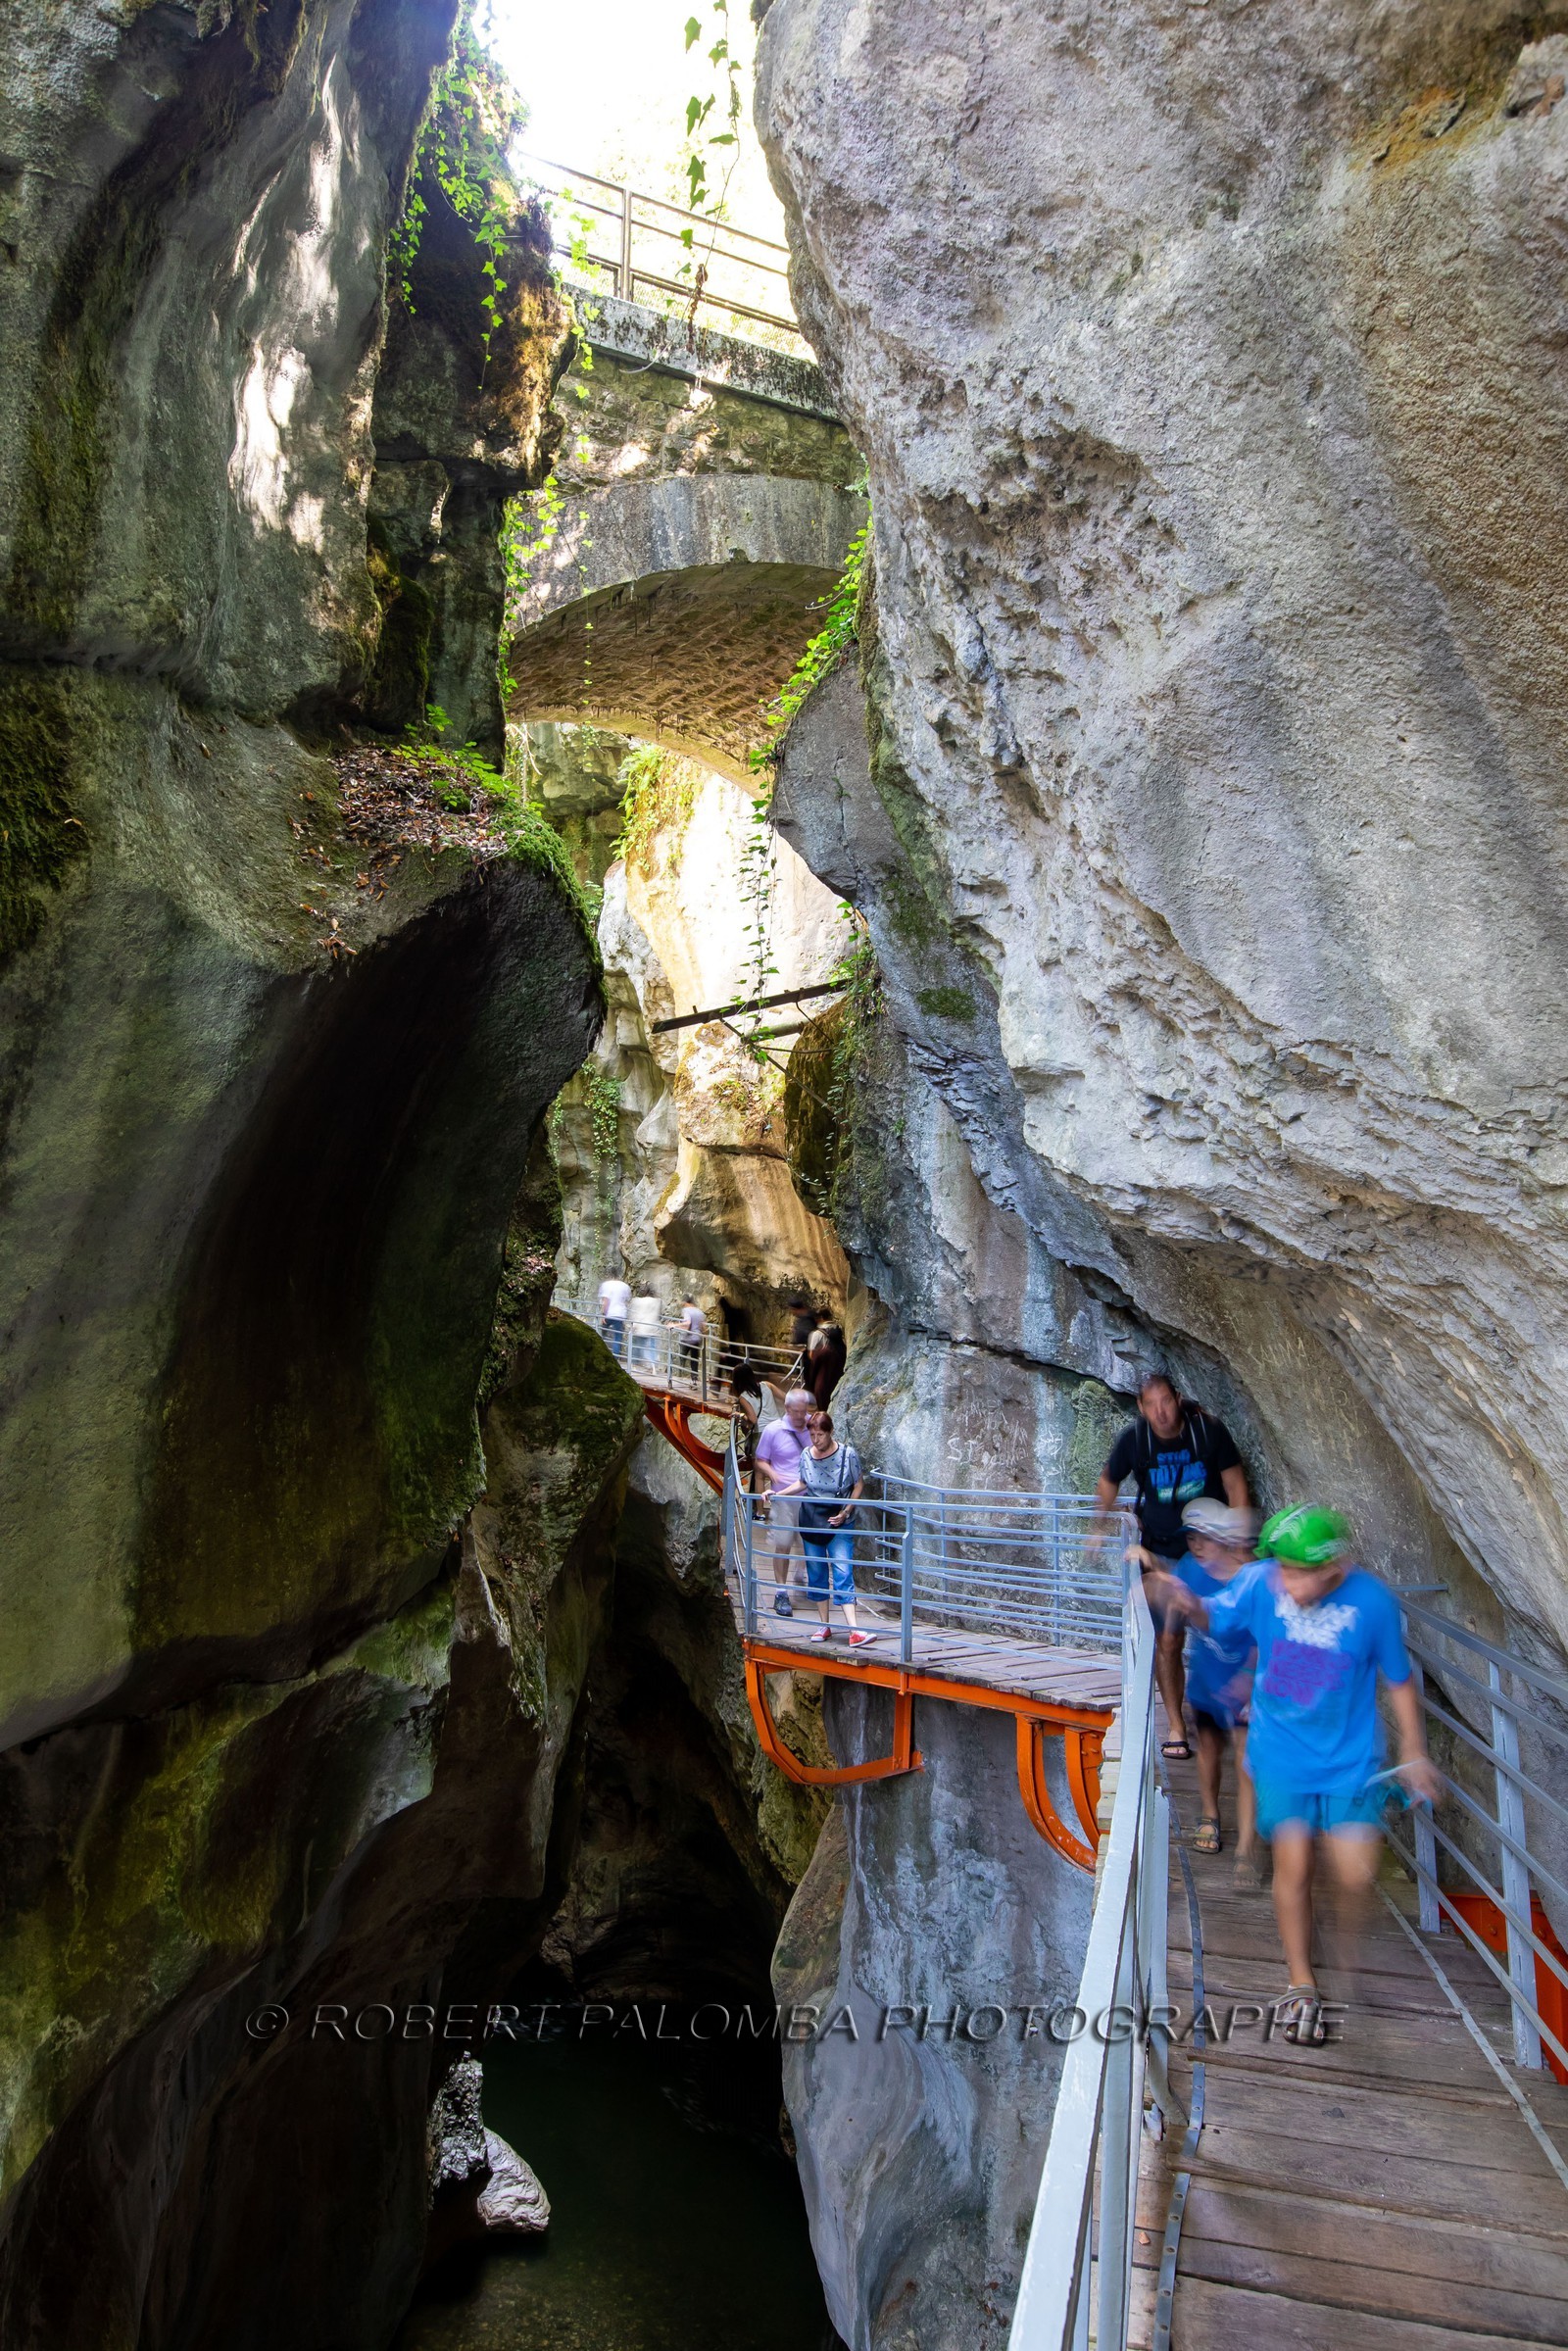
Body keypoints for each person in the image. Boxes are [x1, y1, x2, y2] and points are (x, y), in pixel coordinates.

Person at [1152, 1504, 1441, 2043]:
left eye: (1299, 1570)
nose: (1288, 1581)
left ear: (1335, 1566)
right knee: (1295, 1864)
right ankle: (1301, 1982)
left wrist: (1415, 1752)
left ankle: (1340, 1942)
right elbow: (1219, 1615)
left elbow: (1398, 1679)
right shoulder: (1262, 1580)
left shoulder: (1372, 1601)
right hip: (1280, 1752)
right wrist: (1188, 1603)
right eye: (1283, 1567)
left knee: (1354, 1873)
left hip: (1351, 1760)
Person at [1096, 1371, 1250, 1759]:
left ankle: (1234, 1710)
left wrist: (1239, 1541)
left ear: (1177, 1397)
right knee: (1169, 1638)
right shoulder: (1136, 1440)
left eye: (1166, 1401)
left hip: (1210, 1553)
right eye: (1152, 1405)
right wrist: (1099, 1525)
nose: (1161, 1412)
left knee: (1227, 1628)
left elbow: (1234, 1484)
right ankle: (1178, 1726)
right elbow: (1109, 1479)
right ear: (1141, 1407)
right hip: (1162, 1550)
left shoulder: (1206, 1432)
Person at [1172, 1498, 1262, 1890]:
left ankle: (1246, 1848)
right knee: (1208, 1749)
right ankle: (1210, 1814)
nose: (1195, 1544)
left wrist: (1249, 1680)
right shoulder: (1190, 1569)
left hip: (1246, 1682)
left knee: (1246, 1760)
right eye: (1190, 1537)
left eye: (1202, 1537)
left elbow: (1267, 1634)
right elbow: (1174, 1609)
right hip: (1208, 1678)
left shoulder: (1255, 1577)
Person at [781, 1412, 874, 1645]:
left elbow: (858, 1484)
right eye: (812, 1435)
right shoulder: (806, 1455)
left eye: (820, 1435)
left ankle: (854, 1630)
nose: (815, 1440)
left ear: (830, 1432)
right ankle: (825, 1625)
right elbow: (802, 1483)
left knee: (842, 1570)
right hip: (812, 1518)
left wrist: (846, 1512)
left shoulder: (847, 1455)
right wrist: (777, 1494)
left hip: (838, 1519)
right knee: (817, 1572)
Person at [753, 1388, 815, 1616]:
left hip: (811, 1496)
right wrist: (773, 1473)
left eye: (804, 1410)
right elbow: (760, 1460)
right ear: (787, 1409)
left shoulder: (814, 1426)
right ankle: (781, 1592)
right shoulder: (773, 1431)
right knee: (783, 1543)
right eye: (796, 1411)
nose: (801, 1416)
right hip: (784, 1496)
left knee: (808, 1541)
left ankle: (801, 1573)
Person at [808, 1314, 847, 1408]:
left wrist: (810, 1383)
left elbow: (814, 1367)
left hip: (823, 1384)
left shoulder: (824, 1352)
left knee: (823, 1409)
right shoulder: (844, 1351)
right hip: (837, 1384)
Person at [598, 1272, 631, 1361]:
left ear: (610, 1276)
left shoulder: (606, 1285)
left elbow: (606, 1300)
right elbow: (626, 1300)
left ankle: (600, 1353)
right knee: (618, 1337)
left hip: (609, 1314)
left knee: (602, 1334)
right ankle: (615, 1359)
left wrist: (603, 1314)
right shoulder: (625, 1286)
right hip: (620, 1314)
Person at [628, 1290, 661, 1372]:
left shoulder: (639, 1301)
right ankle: (653, 1367)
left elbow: (637, 1314)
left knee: (638, 1346)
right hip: (653, 1328)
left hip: (641, 1328)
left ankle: (634, 1364)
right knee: (652, 1347)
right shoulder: (657, 1302)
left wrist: (634, 1326)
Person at [678, 1296, 707, 1389]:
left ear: (687, 1302)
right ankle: (694, 1381)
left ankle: (677, 1377)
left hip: (687, 1338)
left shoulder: (686, 1311)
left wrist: (674, 1325)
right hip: (696, 1339)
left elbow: (687, 1324)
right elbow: (703, 1327)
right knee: (694, 1360)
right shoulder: (699, 1312)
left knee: (682, 1356)